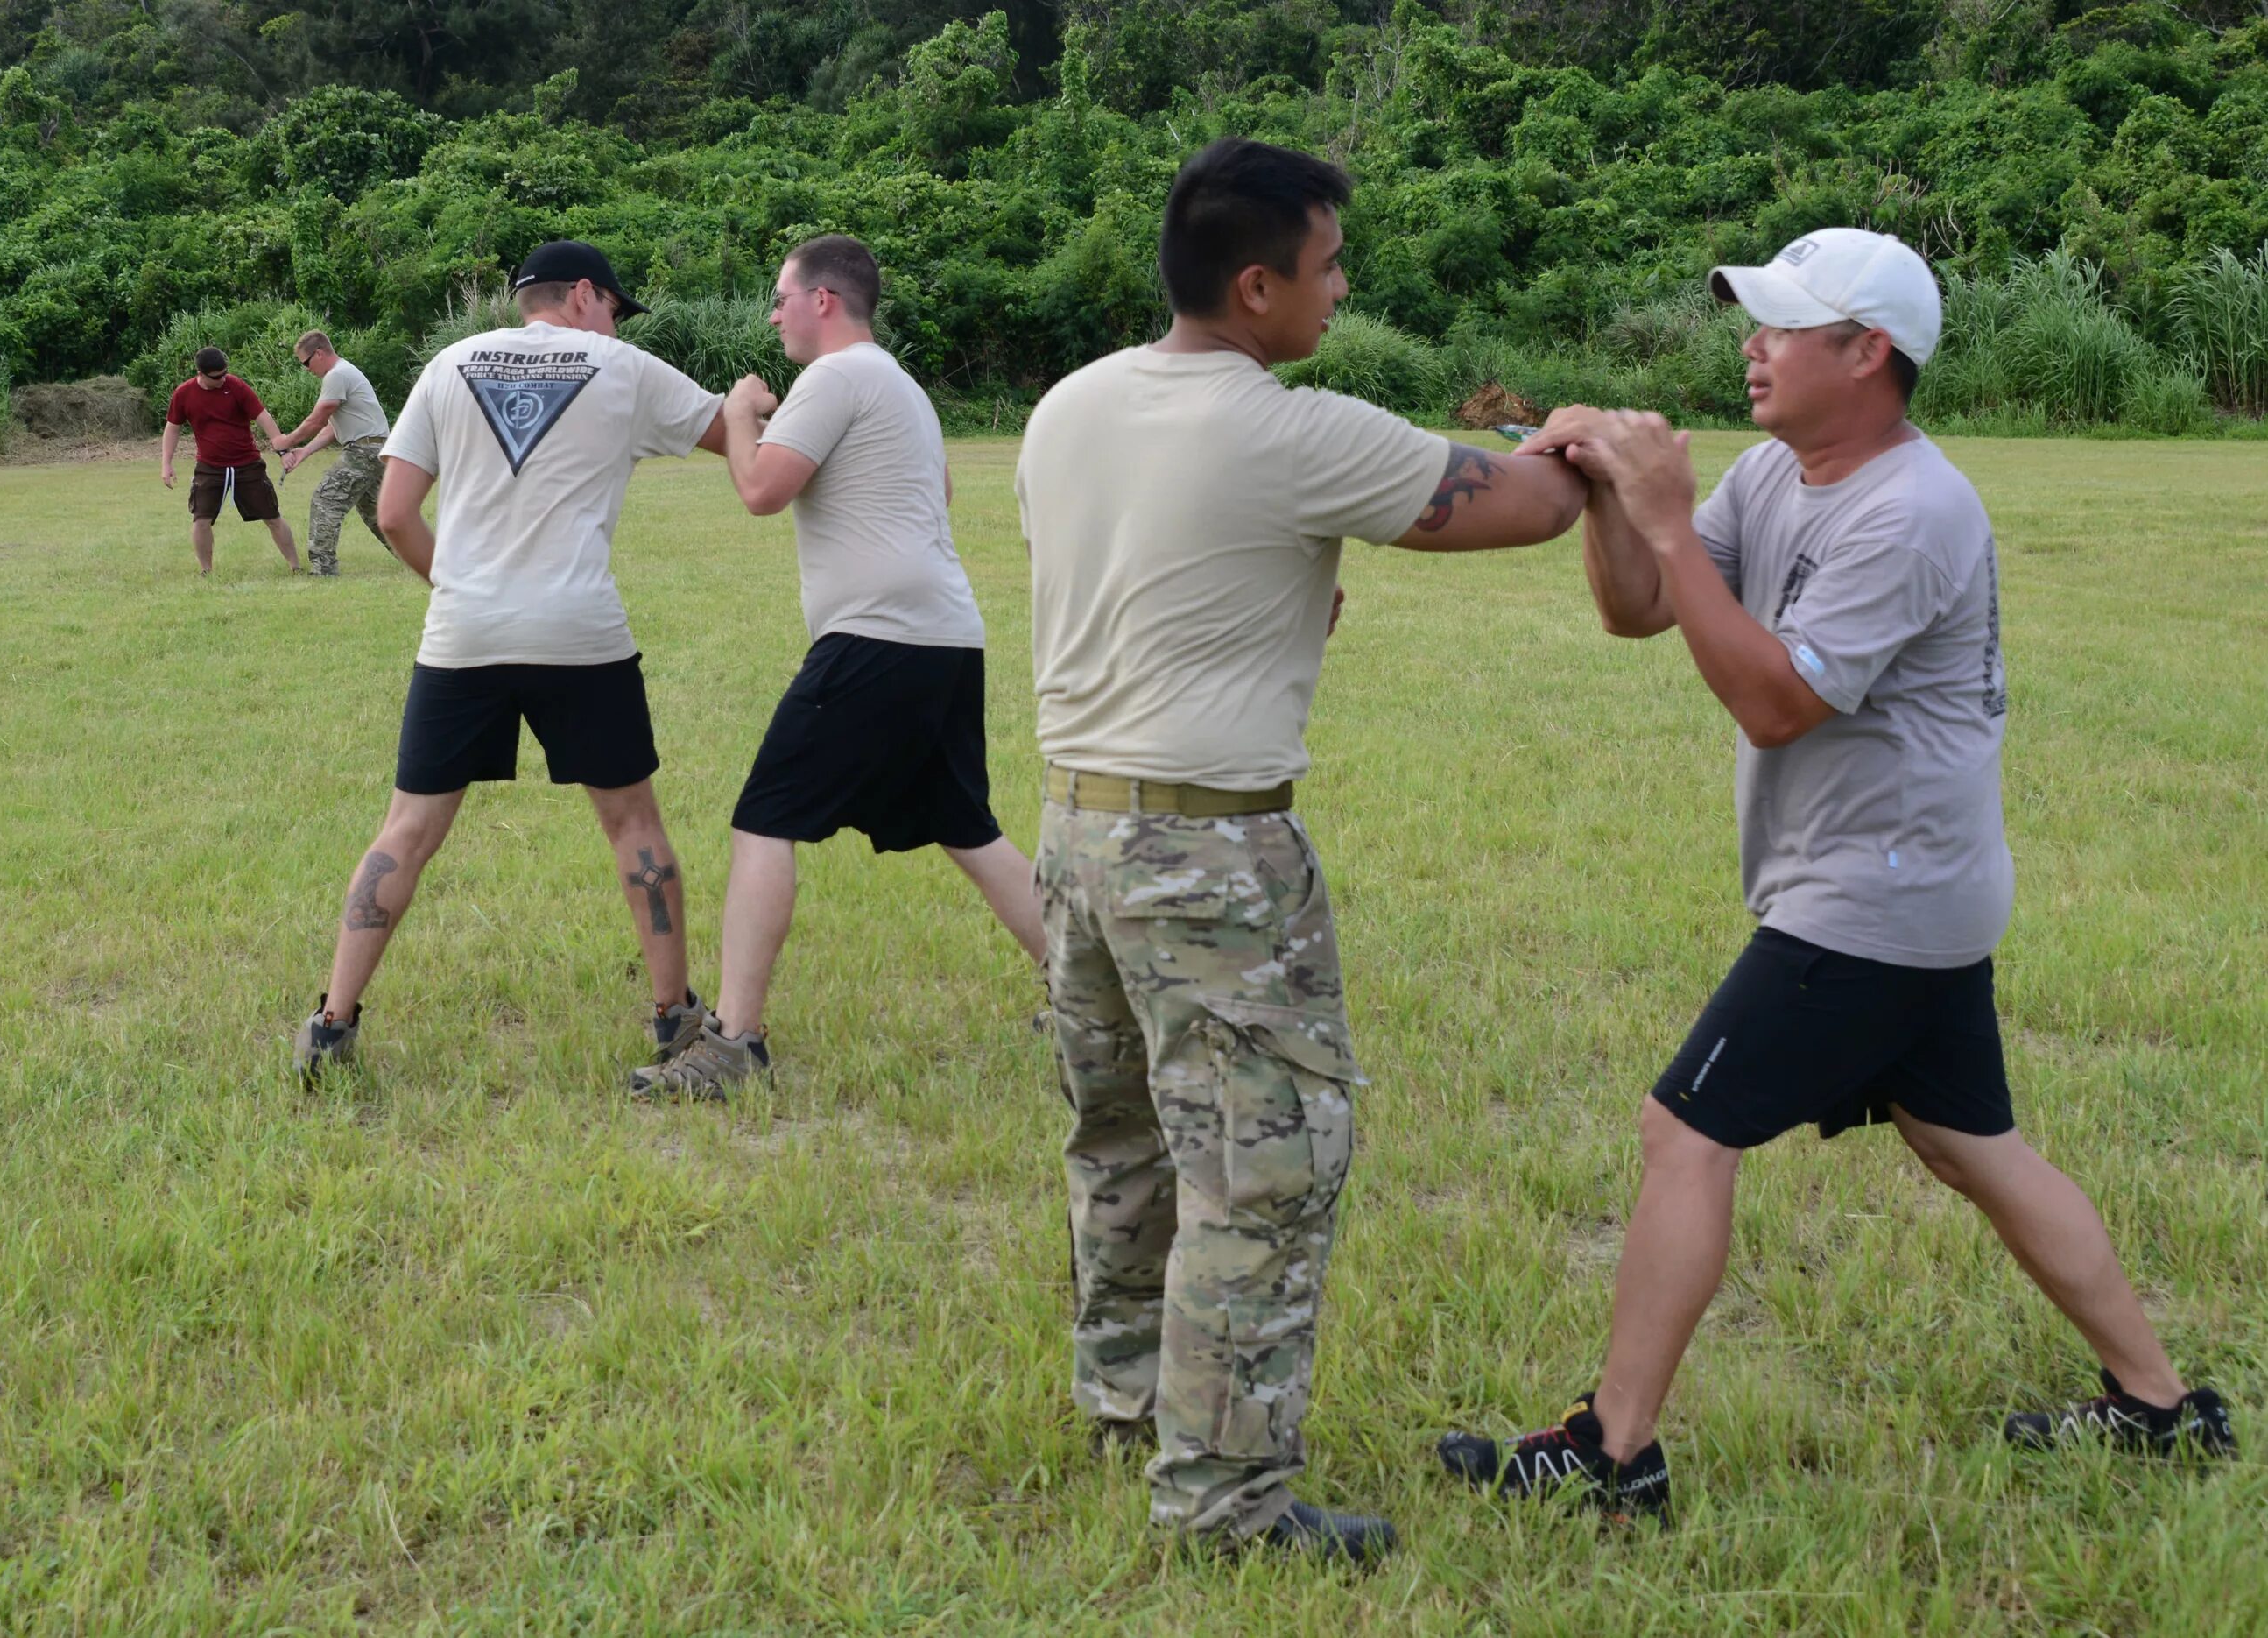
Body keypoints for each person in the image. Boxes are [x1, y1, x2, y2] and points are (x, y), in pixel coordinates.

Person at [1438, 229, 2236, 1520]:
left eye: (1783, 326)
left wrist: (1659, 517)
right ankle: (2157, 1404)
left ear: (1867, 352)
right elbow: (1644, 609)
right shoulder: (1775, 473)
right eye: (1754, 321)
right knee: (1972, 1142)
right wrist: (1610, 500)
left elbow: (1774, 702)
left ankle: (1613, 1447)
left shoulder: (1914, 509)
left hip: (1877, 897)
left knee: (1684, 1128)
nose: (1752, 345)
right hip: (1916, 886)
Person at [1016, 138, 1587, 1562]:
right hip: (1208, 855)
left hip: (1077, 830)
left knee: (1123, 1139)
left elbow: (1166, 583)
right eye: (1329, 267)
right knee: (1262, 1174)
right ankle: (1224, 1505)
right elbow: (1530, 504)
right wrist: (1585, 445)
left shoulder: (1071, 406)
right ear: (1258, 285)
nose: (1343, 290)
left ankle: (1129, 1398)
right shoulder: (1290, 428)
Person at [292, 241, 734, 1083]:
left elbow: (393, 512)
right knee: (634, 825)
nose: (615, 323)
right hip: (582, 634)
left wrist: (457, 586)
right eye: (613, 305)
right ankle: (676, 1019)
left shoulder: (449, 363)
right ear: (581, 296)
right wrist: (753, 401)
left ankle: (331, 1025)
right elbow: (737, 437)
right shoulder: (622, 367)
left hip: (465, 636)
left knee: (407, 832)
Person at [632, 235, 1045, 1099]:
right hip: (942, 636)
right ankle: (1097, 994)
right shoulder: (896, 385)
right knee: (966, 826)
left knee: (764, 818)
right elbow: (935, 497)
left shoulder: (836, 377)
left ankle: (735, 1044)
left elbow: (761, 489)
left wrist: (742, 411)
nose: (772, 311)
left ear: (824, 299)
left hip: (878, 638)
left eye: (780, 296)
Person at [161, 346, 302, 575]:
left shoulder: (236, 386)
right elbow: (173, 428)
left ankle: (295, 566)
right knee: (201, 519)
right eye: (217, 377)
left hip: (247, 463)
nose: (222, 379)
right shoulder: (184, 394)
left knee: (272, 516)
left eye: (225, 373)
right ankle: (206, 571)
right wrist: (166, 464)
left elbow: (263, 417)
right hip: (209, 466)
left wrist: (283, 450)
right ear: (201, 373)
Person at [274, 330, 394, 576]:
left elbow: (317, 420)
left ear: (319, 353)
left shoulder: (337, 375)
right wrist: (304, 451)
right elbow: (332, 426)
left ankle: (324, 568)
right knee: (377, 512)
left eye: (306, 362)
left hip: (364, 450)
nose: (306, 369)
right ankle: (423, 556)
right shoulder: (343, 373)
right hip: (375, 448)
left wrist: (286, 440)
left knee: (326, 499)